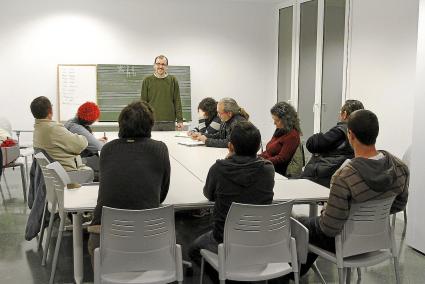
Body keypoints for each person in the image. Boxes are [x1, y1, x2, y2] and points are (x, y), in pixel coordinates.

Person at [296, 109, 409, 276]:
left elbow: (329, 228)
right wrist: (369, 216)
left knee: (299, 225)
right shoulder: (399, 167)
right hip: (376, 240)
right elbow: (399, 204)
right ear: (375, 133)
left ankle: (288, 275)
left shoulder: (344, 176)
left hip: (345, 243)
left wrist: (329, 210)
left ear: (351, 135)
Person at [87, 101, 171, 261]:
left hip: (103, 241)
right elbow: (162, 194)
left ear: (121, 124)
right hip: (147, 237)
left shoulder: (107, 149)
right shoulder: (159, 149)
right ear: (150, 125)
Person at [188, 121, 275, 265]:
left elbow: (208, 194)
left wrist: (228, 159)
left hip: (224, 238)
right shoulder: (267, 169)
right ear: (259, 147)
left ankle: (225, 276)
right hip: (260, 236)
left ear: (230, 146)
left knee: (193, 250)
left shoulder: (219, 169)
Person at [301, 99, 364, 187]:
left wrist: (318, 135)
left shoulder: (340, 131)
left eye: (340, 112)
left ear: (344, 114)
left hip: (320, 178)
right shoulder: (361, 133)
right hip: (339, 178)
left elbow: (311, 145)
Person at [30, 96, 93, 183]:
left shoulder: (38, 128)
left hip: (56, 172)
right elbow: (81, 145)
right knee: (94, 170)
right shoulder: (53, 128)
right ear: (50, 111)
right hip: (67, 173)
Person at [141, 55, 183, 131]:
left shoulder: (173, 80)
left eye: (163, 64)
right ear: (154, 65)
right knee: (152, 143)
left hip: (169, 121)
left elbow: (177, 101)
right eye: (158, 64)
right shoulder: (147, 80)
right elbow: (143, 103)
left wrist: (180, 120)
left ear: (167, 66)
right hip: (152, 121)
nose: (160, 66)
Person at [260, 102, 301, 176]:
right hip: (269, 167)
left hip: (278, 173)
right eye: (274, 120)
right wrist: (256, 157)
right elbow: (269, 151)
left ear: (286, 120)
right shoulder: (280, 130)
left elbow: (282, 158)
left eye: (277, 120)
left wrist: (262, 161)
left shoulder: (292, 135)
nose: (274, 123)